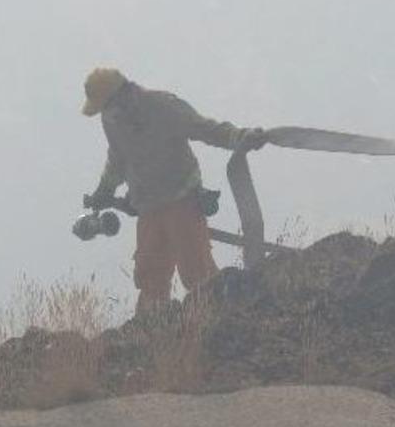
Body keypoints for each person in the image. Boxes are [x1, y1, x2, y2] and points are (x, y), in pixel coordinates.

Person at [81, 68, 269, 313]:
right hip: (147, 206)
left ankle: (219, 320)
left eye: (107, 107)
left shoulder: (162, 107)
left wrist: (240, 137)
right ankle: (152, 331)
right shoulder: (112, 121)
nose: (106, 114)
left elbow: (205, 129)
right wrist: (103, 190)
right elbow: (117, 158)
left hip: (182, 200)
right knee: (150, 277)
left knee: (198, 273)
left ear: (123, 96)